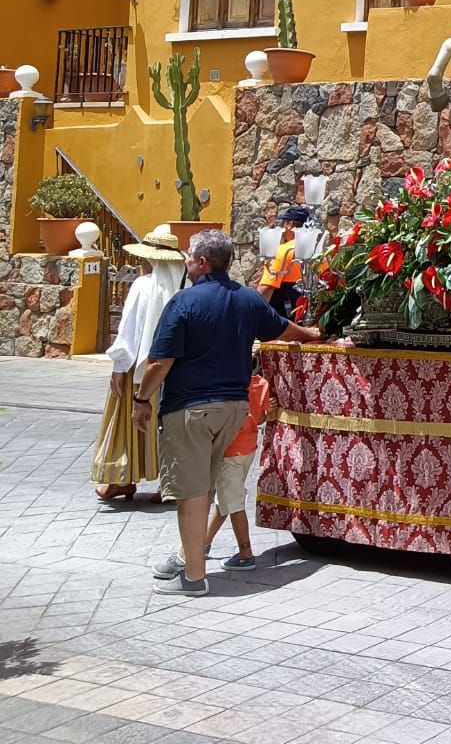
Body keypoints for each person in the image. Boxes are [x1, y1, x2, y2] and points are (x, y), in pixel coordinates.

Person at [136, 230, 321, 595]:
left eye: (189, 256)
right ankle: (187, 557)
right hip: (234, 409)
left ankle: (192, 577)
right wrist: (312, 334)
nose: (186, 261)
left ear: (203, 263)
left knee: (191, 494)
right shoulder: (248, 300)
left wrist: (142, 399)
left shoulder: (184, 302)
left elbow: (161, 362)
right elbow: (284, 330)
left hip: (191, 410)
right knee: (204, 487)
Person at [91, 225, 186, 502]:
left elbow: (129, 331)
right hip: (177, 368)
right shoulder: (185, 288)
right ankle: (170, 484)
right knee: (173, 425)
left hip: (141, 368)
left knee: (126, 423)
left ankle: (123, 479)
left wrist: (118, 368)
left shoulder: (143, 286)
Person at [202, 368, 270, 572]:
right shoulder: (260, 384)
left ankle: (245, 553)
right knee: (225, 500)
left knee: (234, 502)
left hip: (229, 451)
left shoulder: (223, 383)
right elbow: (261, 418)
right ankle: (204, 542)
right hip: (247, 449)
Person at [256, 206, 308, 319]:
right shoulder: (317, 252)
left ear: (290, 224)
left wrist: (251, 314)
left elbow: (266, 289)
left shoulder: (282, 251)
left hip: (284, 318)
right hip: (308, 314)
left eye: (284, 223)